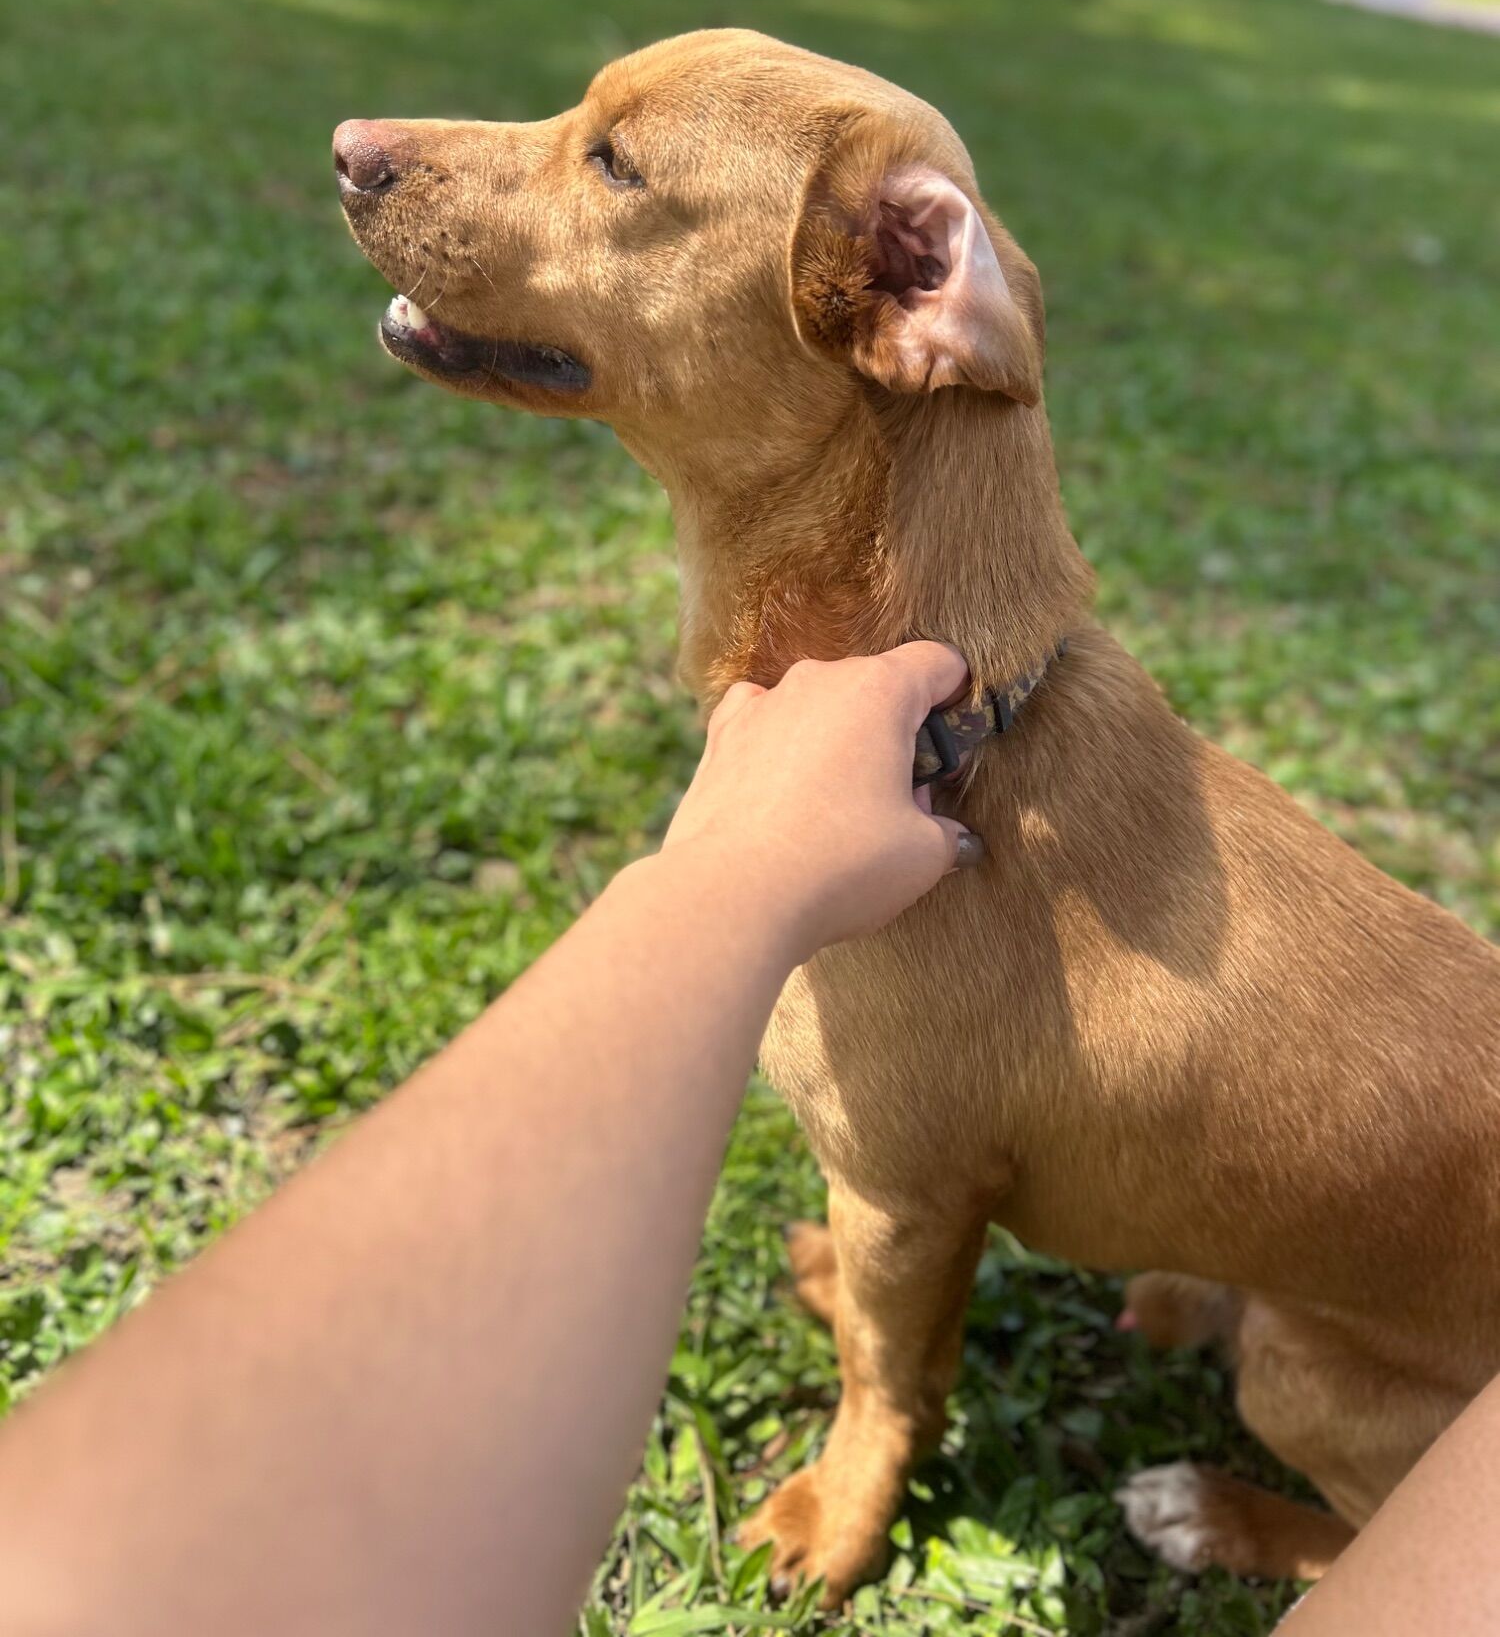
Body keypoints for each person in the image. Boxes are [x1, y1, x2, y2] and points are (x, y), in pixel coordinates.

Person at [0, 646, 1494, 1636]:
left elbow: (912, 1194)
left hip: (1432, 1376)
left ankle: (1319, 1537)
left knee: (1291, 1379)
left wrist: (877, 1422)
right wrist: (728, 884)